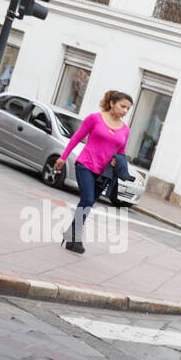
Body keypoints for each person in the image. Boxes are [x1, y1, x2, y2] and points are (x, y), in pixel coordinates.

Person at [55, 90, 132, 254]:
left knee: (88, 204)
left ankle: (70, 235)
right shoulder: (95, 118)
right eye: (123, 106)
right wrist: (63, 157)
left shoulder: (125, 129)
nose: (125, 111)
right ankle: (75, 236)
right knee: (88, 199)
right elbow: (76, 137)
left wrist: (118, 162)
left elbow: (121, 152)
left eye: (128, 109)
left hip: (104, 172)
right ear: (112, 103)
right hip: (86, 165)